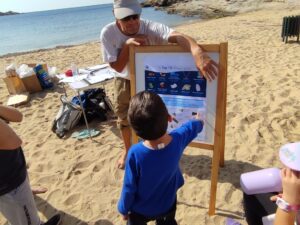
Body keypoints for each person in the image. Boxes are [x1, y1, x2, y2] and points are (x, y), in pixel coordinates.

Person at [100, 0, 218, 169]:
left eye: (135, 16)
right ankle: (127, 149)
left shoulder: (149, 27)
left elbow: (178, 37)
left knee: (154, 117)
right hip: (124, 79)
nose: (132, 21)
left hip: (149, 79)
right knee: (124, 118)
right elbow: (117, 67)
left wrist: (196, 50)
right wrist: (127, 46)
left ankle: (157, 147)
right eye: (126, 18)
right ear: (115, 15)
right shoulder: (108, 33)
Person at [117, 91, 204, 224]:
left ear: (135, 130)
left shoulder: (135, 153)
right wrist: (199, 122)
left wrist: (123, 209)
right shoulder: (177, 140)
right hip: (167, 204)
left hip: (140, 209)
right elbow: (190, 128)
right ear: (169, 118)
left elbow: (129, 187)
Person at [0, 105, 61, 225]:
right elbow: (14, 141)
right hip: (8, 184)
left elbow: (18, 117)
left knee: (27, 214)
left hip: (14, 170)